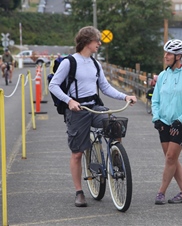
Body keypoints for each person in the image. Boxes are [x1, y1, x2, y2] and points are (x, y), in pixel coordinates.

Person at [48, 26, 137, 207]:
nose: (99, 43)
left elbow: (105, 87)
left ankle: (116, 157)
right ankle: (79, 191)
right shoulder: (70, 62)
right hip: (77, 110)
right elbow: (54, 85)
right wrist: (69, 101)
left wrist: (125, 96)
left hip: (94, 106)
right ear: (87, 41)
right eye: (97, 40)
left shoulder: (95, 64)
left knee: (115, 125)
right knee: (77, 153)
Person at [151, 39, 182, 205]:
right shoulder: (163, 75)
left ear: (179, 56)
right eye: (165, 52)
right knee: (171, 158)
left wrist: (181, 120)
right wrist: (156, 118)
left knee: (171, 157)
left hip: (181, 124)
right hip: (163, 122)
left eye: (169, 53)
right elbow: (155, 99)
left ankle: (160, 192)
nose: (166, 56)